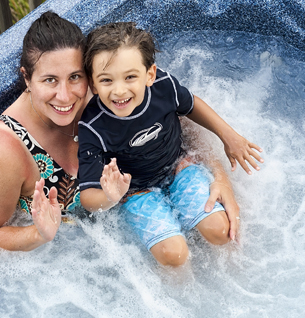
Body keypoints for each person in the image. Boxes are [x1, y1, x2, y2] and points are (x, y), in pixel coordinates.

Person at [0, 12, 261, 252]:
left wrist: (220, 177)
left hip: (142, 200)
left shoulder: (106, 89)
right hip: (72, 245)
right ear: (27, 78)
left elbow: (173, 119)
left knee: (219, 235)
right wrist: (39, 235)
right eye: (49, 80)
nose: (65, 96)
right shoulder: (6, 149)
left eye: (75, 77)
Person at [78, 22, 263, 266]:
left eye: (130, 77)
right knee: (173, 256)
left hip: (179, 167)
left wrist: (228, 136)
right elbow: (87, 196)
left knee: (220, 230)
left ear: (150, 74)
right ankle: (181, 297)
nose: (119, 90)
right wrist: (112, 196)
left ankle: (240, 274)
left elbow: (191, 105)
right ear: (93, 84)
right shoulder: (92, 127)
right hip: (136, 191)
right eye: (106, 80)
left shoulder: (163, 87)